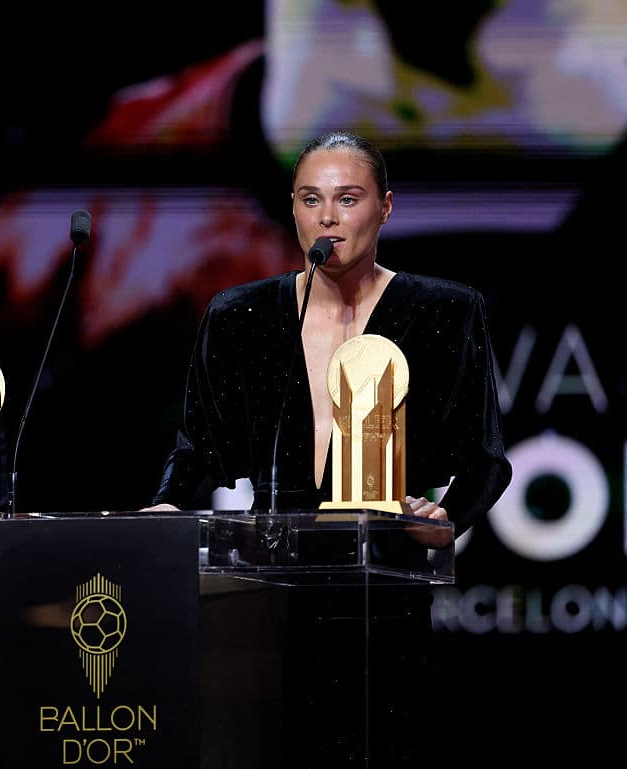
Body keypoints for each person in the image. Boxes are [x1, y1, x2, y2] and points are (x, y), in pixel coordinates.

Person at [144, 130, 513, 765]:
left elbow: (485, 460)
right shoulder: (241, 316)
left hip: (383, 589)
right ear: (292, 207)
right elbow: (198, 445)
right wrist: (165, 506)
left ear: (386, 207)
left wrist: (445, 518)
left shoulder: (444, 312)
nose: (329, 218)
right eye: (311, 200)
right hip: (267, 590)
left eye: (348, 199)